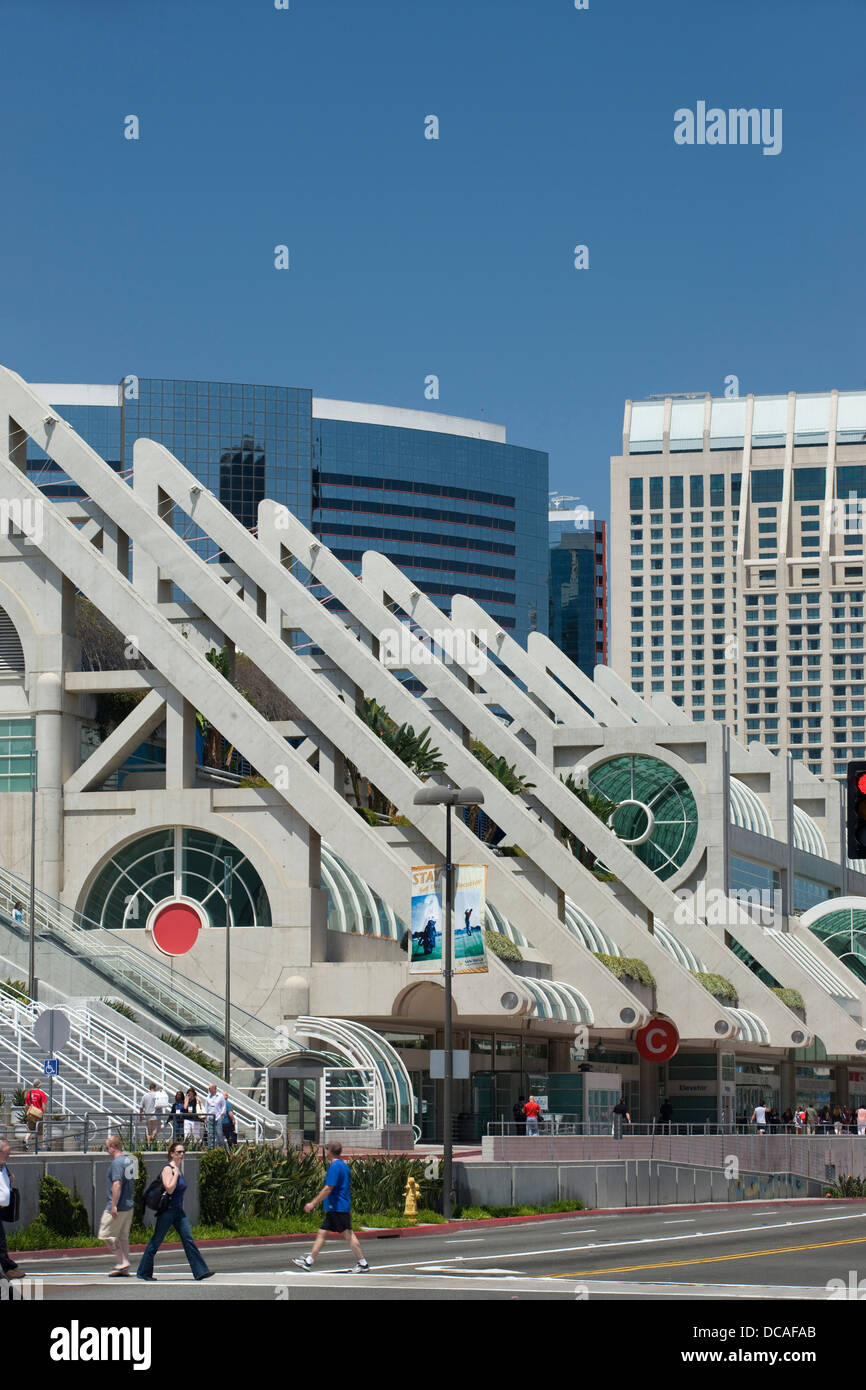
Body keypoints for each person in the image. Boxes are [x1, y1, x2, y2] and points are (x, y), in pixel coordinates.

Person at [136, 1141, 213, 1282]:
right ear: (172, 1154)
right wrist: (176, 1174)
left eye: (183, 1152)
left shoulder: (177, 1169)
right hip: (167, 1211)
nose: (182, 1154)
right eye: (178, 1152)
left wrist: (178, 1173)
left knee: (188, 1239)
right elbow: (169, 1188)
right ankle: (143, 1271)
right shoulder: (168, 1169)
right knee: (156, 1241)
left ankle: (200, 1271)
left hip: (178, 1211)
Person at [292, 1141, 369, 1274]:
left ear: (329, 1151)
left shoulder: (335, 1167)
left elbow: (328, 1188)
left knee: (349, 1235)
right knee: (322, 1233)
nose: (325, 1152)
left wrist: (313, 1203)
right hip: (339, 1206)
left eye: (325, 1150)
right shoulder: (344, 1166)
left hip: (337, 1206)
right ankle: (309, 1261)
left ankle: (363, 1263)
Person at [98, 1134, 137, 1277]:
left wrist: (113, 1205)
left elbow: (117, 1184)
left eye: (107, 1147)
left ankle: (122, 1262)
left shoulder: (117, 1163)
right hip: (128, 1205)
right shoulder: (129, 1160)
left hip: (118, 1206)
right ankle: (124, 1267)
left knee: (105, 1234)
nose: (107, 1150)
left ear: (113, 1147)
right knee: (123, 1236)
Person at [0, 1140, 26, 1281]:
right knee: (0, 1241)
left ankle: (9, 1268)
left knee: (1, 1240)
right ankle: (8, 1269)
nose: (9, 1156)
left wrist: (9, 1178)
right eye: (7, 1153)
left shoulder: (3, 1166)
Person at [23, 1082, 47, 1151]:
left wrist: (28, 1112)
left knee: (30, 1129)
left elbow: (27, 1105)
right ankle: (39, 1147)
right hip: (38, 1115)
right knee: (39, 1132)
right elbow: (43, 1105)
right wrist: (44, 1113)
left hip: (31, 1114)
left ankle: (26, 1139)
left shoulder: (29, 1093)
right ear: (39, 1085)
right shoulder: (42, 1093)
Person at [205, 1083, 226, 1149]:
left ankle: (221, 1147)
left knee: (219, 1133)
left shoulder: (220, 1096)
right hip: (210, 1117)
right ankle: (211, 1148)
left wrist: (222, 1113)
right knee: (210, 1133)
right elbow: (206, 1107)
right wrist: (206, 1116)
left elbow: (223, 1105)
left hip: (218, 1117)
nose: (209, 1089)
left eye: (210, 1088)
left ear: (214, 1089)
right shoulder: (208, 1097)